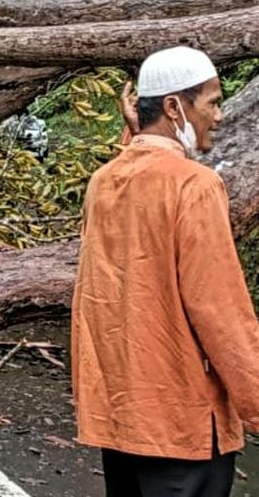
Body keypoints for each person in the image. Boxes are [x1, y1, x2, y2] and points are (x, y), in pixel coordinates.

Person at [71, 45, 259, 497]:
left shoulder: (104, 181)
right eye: (212, 102)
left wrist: (134, 136)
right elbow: (220, 309)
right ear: (174, 106)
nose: (218, 116)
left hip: (121, 414)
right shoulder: (194, 185)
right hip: (182, 421)